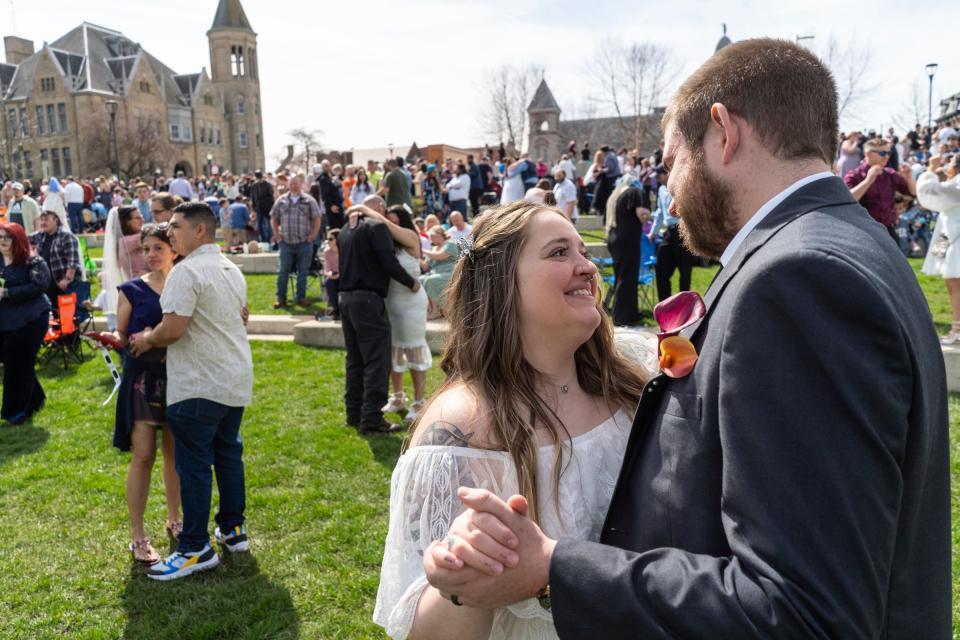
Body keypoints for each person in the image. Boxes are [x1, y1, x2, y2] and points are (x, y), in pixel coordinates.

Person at [424, 38, 950, 638]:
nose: (668, 190)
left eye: (672, 159)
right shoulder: (850, 242)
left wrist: (553, 567)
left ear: (722, 132)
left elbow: (802, 611)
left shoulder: (796, 277)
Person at [374, 201, 650, 639]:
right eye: (560, 253)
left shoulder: (638, 373)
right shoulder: (463, 430)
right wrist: (464, 578)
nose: (587, 268)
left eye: (584, 252)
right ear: (500, 281)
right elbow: (423, 634)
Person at [132, 202, 253, 581]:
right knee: (228, 454)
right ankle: (233, 531)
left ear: (200, 231)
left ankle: (194, 548)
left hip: (199, 382)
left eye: (176, 227)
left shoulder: (186, 272)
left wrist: (146, 339)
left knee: (195, 465)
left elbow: (173, 329)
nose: (169, 233)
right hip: (233, 378)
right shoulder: (231, 268)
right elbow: (240, 316)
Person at [112, 223, 182, 564]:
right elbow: (121, 333)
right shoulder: (131, 290)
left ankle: (176, 520)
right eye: (146, 248)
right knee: (143, 455)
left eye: (159, 247)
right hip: (142, 379)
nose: (151, 255)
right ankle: (138, 536)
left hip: (180, 379)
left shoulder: (186, 286)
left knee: (174, 452)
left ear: (174, 249)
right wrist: (121, 338)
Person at [338, 195, 421, 434]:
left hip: (346, 298)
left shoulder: (345, 230)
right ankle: (372, 418)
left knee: (354, 360)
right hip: (368, 299)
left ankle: (353, 413)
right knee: (377, 361)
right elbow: (388, 261)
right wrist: (410, 282)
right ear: (378, 208)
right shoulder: (376, 227)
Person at [357, 204, 432, 424]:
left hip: (411, 301)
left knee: (413, 349)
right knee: (393, 351)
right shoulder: (385, 244)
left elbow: (387, 226)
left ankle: (419, 401)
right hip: (390, 302)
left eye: (394, 220)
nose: (390, 225)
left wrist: (371, 212)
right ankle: (398, 396)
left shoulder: (410, 236)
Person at [0, 222, 51, 425]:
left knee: (16, 363)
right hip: (5, 321)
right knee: (18, 361)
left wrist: (7, 293)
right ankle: (36, 398)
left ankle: (19, 410)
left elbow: (40, 285)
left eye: (7, 237)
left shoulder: (33, 261)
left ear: (18, 239)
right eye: (0, 237)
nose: (2, 241)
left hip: (31, 319)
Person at [919, 153, 960, 343]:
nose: (946, 166)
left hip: (956, 239)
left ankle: (957, 330)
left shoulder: (957, 184)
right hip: (950, 236)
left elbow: (928, 191)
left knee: (955, 285)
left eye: (950, 162)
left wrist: (929, 169)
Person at [844, 137, 916, 243]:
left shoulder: (890, 174)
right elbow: (847, 199)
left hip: (888, 230)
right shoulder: (854, 175)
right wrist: (868, 180)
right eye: (882, 153)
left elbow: (913, 193)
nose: (887, 157)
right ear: (868, 154)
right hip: (863, 232)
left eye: (889, 153)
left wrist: (909, 177)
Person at [270, 175, 323, 308]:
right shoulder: (281, 200)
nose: (294, 186)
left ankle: (301, 298)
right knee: (283, 271)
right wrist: (277, 234)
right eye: (292, 184)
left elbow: (317, 218)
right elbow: (274, 217)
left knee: (303, 272)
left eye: (296, 183)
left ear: (301, 184)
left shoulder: (309, 200)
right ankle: (281, 299)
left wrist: (313, 235)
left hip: (304, 242)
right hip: (286, 242)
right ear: (288, 185)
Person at [648, 164, 696, 301]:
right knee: (660, 267)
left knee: (685, 271)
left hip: (684, 229)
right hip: (669, 233)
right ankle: (665, 303)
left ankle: (685, 304)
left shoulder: (683, 185)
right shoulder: (662, 189)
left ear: (668, 173)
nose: (657, 179)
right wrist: (653, 232)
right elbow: (659, 213)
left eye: (659, 175)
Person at [606, 186, 650, 325]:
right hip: (627, 240)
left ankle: (630, 313)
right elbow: (642, 213)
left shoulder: (616, 195)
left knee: (622, 276)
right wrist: (648, 216)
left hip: (615, 237)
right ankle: (622, 317)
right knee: (628, 277)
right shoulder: (636, 191)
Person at [30, 210, 81, 307]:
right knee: (50, 317)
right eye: (42, 220)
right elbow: (23, 238)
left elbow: (73, 261)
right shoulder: (41, 236)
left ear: (56, 220)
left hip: (63, 285)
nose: (43, 223)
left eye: (47, 220)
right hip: (46, 285)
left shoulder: (66, 236)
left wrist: (67, 279)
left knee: (66, 319)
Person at [420, 225, 459, 321]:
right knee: (420, 280)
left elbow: (440, 256)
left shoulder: (450, 244)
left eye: (431, 236)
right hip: (435, 273)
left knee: (430, 280)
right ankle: (429, 309)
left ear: (438, 234)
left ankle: (436, 311)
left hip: (450, 273)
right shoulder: (433, 249)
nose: (430, 239)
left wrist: (422, 250)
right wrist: (415, 256)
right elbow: (426, 267)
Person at [249, 170, 275, 245]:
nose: (259, 180)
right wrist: (253, 208)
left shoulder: (268, 185)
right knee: (260, 225)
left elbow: (271, 197)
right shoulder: (254, 186)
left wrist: (271, 207)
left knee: (269, 224)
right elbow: (253, 197)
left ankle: (269, 239)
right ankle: (264, 240)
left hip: (267, 207)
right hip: (259, 207)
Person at [321, 229, 341, 320]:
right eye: (327, 239)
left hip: (345, 275)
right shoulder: (327, 252)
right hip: (333, 275)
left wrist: (340, 275)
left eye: (330, 239)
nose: (328, 241)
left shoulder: (345, 251)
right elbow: (326, 268)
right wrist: (330, 275)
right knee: (329, 282)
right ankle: (335, 310)